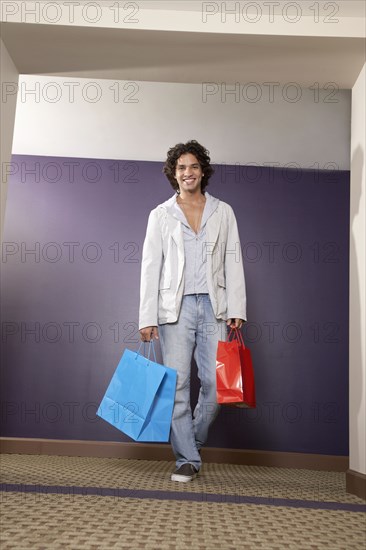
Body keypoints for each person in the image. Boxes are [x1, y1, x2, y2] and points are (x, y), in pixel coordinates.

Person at [138, 140, 247, 482]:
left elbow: (234, 259)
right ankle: (187, 458)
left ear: (203, 171)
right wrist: (147, 316)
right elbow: (150, 266)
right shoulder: (160, 214)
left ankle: (191, 443)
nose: (188, 172)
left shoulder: (223, 211)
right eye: (182, 167)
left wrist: (236, 307)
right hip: (175, 308)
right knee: (178, 384)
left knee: (216, 387)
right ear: (174, 173)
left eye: (194, 166)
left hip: (214, 306)